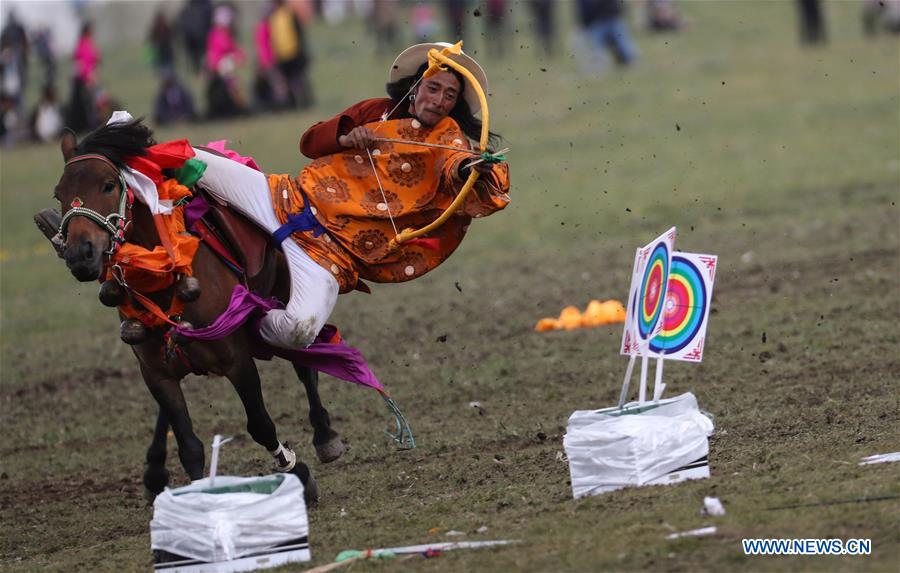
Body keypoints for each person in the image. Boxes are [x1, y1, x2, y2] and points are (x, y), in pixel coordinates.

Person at [191, 42, 510, 351]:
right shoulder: (377, 111)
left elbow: (458, 163)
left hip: (330, 258)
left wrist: (470, 168)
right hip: (288, 200)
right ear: (415, 87)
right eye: (433, 88)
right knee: (190, 160)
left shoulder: (449, 137)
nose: (439, 100)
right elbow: (309, 143)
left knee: (298, 332)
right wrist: (345, 137)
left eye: (450, 95)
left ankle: (243, 325)